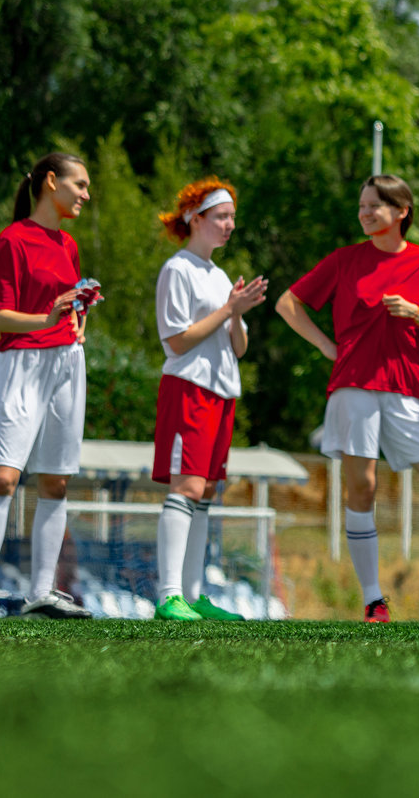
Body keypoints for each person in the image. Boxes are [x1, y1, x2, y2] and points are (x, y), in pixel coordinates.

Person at [277, 174, 419, 624]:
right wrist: (325, 346)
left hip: (406, 391)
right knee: (364, 489)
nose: (364, 213)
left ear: (401, 212)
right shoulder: (344, 259)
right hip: (353, 385)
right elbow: (288, 304)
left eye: (374, 205)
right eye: (361, 205)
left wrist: (415, 312)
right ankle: (374, 601)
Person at [0, 153, 97, 620]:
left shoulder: (69, 246)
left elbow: (68, 309)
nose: (85, 195)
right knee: (5, 475)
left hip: (67, 364)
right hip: (22, 363)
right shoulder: (11, 240)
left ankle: (42, 592)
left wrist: (77, 322)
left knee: (56, 480)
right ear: (51, 183)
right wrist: (46, 317)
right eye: (80, 184)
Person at [150, 179, 269, 621]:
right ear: (194, 219)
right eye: (221, 216)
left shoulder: (218, 276)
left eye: (232, 217)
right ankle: (168, 596)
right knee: (188, 487)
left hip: (221, 389)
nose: (229, 225)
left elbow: (238, 348)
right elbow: (177, 341)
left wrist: (235, 312)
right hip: (188, 387)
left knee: (206, 493)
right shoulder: (176, 268)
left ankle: (194, 596)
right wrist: (227, 309)